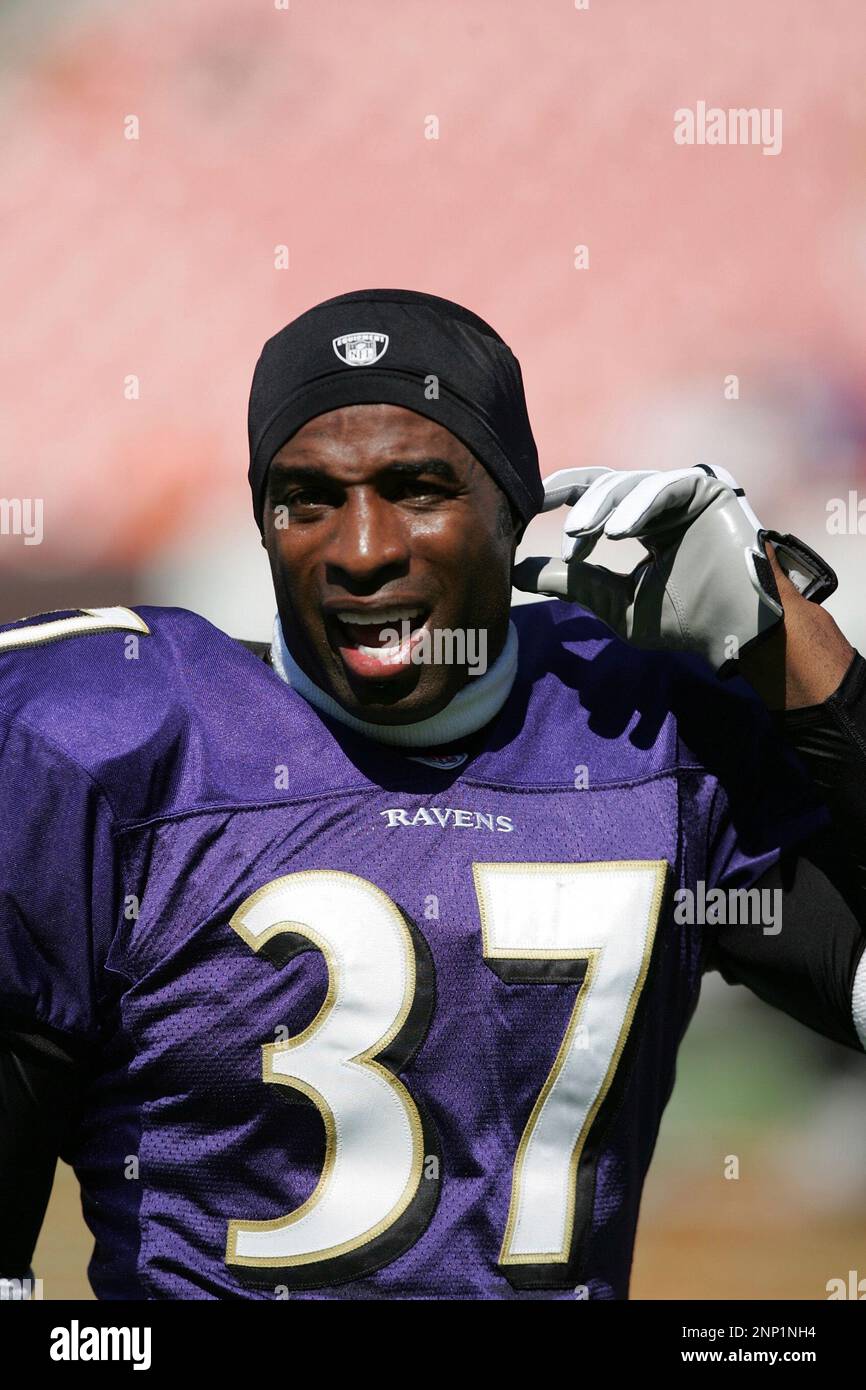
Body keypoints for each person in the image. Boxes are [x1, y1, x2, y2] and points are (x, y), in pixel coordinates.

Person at [1, 288, 864, 1301]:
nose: (362, 550)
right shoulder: (107, 742)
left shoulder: (635, 727)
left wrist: (785, 641)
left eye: (417, 488)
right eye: (308, 496)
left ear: (511, 509)